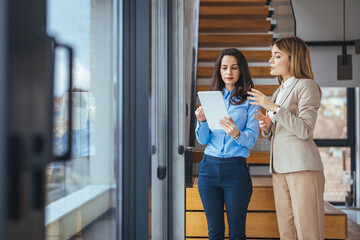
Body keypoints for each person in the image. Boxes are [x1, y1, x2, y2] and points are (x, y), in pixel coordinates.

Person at [247, 36, 325, 240]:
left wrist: (272, 107)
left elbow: (305, 130)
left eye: (277, 56)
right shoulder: (279, 91)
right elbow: (283, 129)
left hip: (302, 168)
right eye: (271, 55)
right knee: (287, 232)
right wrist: (268, 127)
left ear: (293, 58)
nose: (270, 61)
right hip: (280, 168)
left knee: (308, 231)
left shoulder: (306, 86)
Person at [195, 48, 260, 240]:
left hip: (236, 171)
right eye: (224, 68)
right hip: (208, 169)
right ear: (219, 71)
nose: (229, 72)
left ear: (241, 71)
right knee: (214, 233)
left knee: (237, 234)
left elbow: (252, 139)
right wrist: (203, 121)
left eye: (234, 67)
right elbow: (202, 140)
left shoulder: (251, 100)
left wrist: (236, 133)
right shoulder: (210, 98)